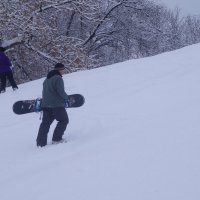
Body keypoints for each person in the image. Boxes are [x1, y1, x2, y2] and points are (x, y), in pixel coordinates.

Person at [36, 63, 69, 147]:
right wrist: (67, 98)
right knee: (64, 120)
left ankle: (40, 143)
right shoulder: (58, 78)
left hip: (45, 105)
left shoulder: (46, 79)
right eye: (63, 69)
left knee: (45, 124)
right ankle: (56, 139)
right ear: (60, 70)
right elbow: (61, 91)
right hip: (56, 105)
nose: (63, 71)